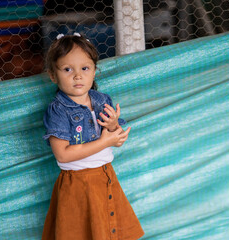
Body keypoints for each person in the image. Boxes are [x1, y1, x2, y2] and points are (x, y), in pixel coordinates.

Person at [41, 33, 144, 240]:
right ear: (53, 75)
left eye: (84, 68)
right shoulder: (58, 110)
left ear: (94, 71)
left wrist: (115, 129)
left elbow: (113, 136)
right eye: (67, 69)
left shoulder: (101, 100)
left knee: (108, 231)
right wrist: (105, 141)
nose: (77, 76)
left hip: (105, 175)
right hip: (79, 183)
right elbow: (62, 155)